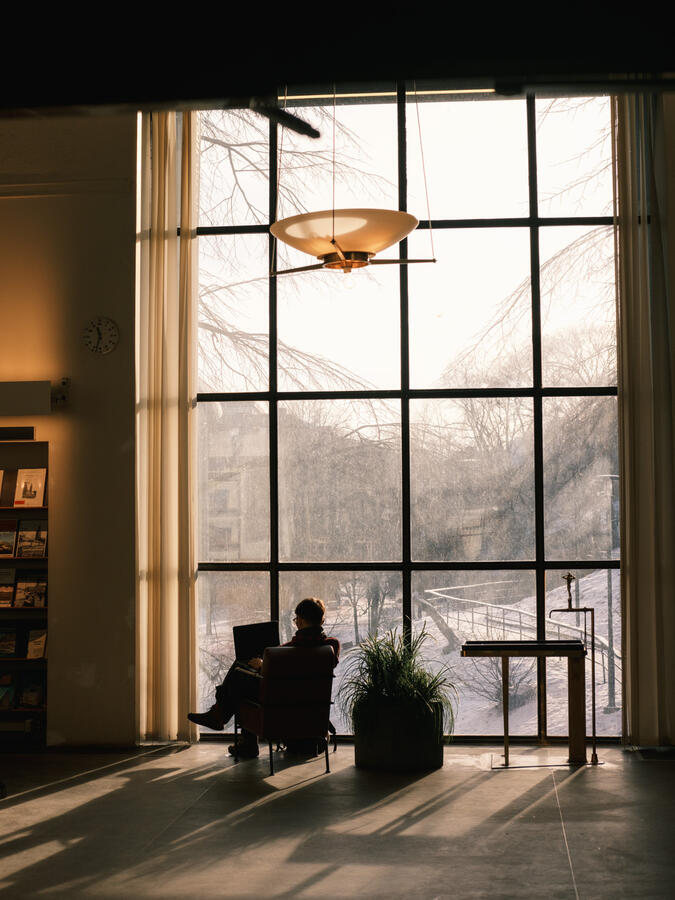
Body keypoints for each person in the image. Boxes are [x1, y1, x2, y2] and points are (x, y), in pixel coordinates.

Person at [188, 597, 340, 758]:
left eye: (296, 619)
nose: (295, 622)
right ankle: (220, 717)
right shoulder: (331, 647)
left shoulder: (286, 651)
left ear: (301, 621)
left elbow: (280, 666)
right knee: (242, 679)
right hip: (311, 705)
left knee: (240, 673)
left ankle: (224, 720)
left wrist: (262, 664)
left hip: (280, 704)